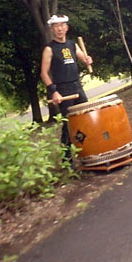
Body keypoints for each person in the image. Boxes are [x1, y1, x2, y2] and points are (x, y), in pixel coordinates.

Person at [41, 14, 93, 158]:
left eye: (62, 25)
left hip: (77, 86)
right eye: (56, 26)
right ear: (52, 29)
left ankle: (88, 152)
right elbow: (44, 74)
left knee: (85, 119)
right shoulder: (49, 49)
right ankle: (67, 159)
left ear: (67, 27)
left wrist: (88, 60)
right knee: (69, 125)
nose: (60, 29)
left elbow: (84, 58)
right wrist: (54, 92)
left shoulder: (72, 44)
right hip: (63, 90)